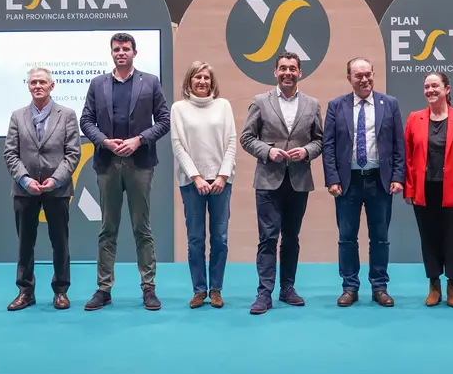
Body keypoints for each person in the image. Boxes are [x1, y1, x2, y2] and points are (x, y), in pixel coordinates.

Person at [79, 32, 171, 311]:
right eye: (117, 49)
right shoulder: (97, 84)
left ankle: (148, 288)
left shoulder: (150, 82)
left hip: (140, 163)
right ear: (111, 53)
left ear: (134, 52)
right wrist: (104, 141)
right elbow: (86, 120)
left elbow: (165, 120)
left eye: (126, 49)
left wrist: (139, 140)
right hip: (107, 163)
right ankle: (103, 289)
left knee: (142, 228)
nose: (121, 53)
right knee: (108, 229)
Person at [240, 51, 323, 315]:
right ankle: (264, 293)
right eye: (283, 68)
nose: (288, 72)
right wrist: (267, 151)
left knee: (291, 238)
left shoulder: (312, 104)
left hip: (298, 180)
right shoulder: (260, 102)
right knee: (267, 238)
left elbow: (320, 140)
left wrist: (307, 151)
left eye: (293, 68)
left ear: (300, 72)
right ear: (275, 72)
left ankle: (287, 288)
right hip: (268, 180)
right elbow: (246, 137)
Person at [323, 57, 405, 307]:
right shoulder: (336, 106)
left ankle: (379, 286)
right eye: (358, 75)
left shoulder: (389, 104)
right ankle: (349, 286)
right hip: (347, 184)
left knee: (380, 237)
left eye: (368, 74)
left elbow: (398, 145)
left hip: (379, 181)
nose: (364, 79)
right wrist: (332, 179)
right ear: (349, 78)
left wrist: (398, 177)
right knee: (347, 237)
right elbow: (329, 146)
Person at [3, 67, 81, 311]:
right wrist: (25, 180)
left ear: (52, 86)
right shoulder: (17, 116)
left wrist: (55, 180)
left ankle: (61, 291)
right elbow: (10, 153)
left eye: (42, 82)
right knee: (25, 242)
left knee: (60, 242)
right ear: (28, 86)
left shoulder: (67, 115)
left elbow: (73, 153)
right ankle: (25, 291)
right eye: (33, 82)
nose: (37, 86)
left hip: (57, 189)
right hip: (24, 190)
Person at [404, 72, 453, 308]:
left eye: (435, 86)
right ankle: (433, 285)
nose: (430, 90)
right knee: (429, 238)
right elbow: (407, 157)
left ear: (447, 89)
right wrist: (409, 189)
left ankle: (452, 285)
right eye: (426, 86)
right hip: (424, 191)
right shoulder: (414, 118)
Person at [171, 61, 237, 309]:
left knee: (220, 238)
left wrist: (222, 176)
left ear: (212, 82)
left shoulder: (223, 106)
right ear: (189, 80)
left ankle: (216, 289)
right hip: (191, 182)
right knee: (196, 238)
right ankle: (199, 290)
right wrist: (196, 177)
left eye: (206, 78)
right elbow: (178, 145)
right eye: (197, 77)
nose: (202, 82)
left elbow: (231, 142)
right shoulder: (179, 108)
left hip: (221, 181)